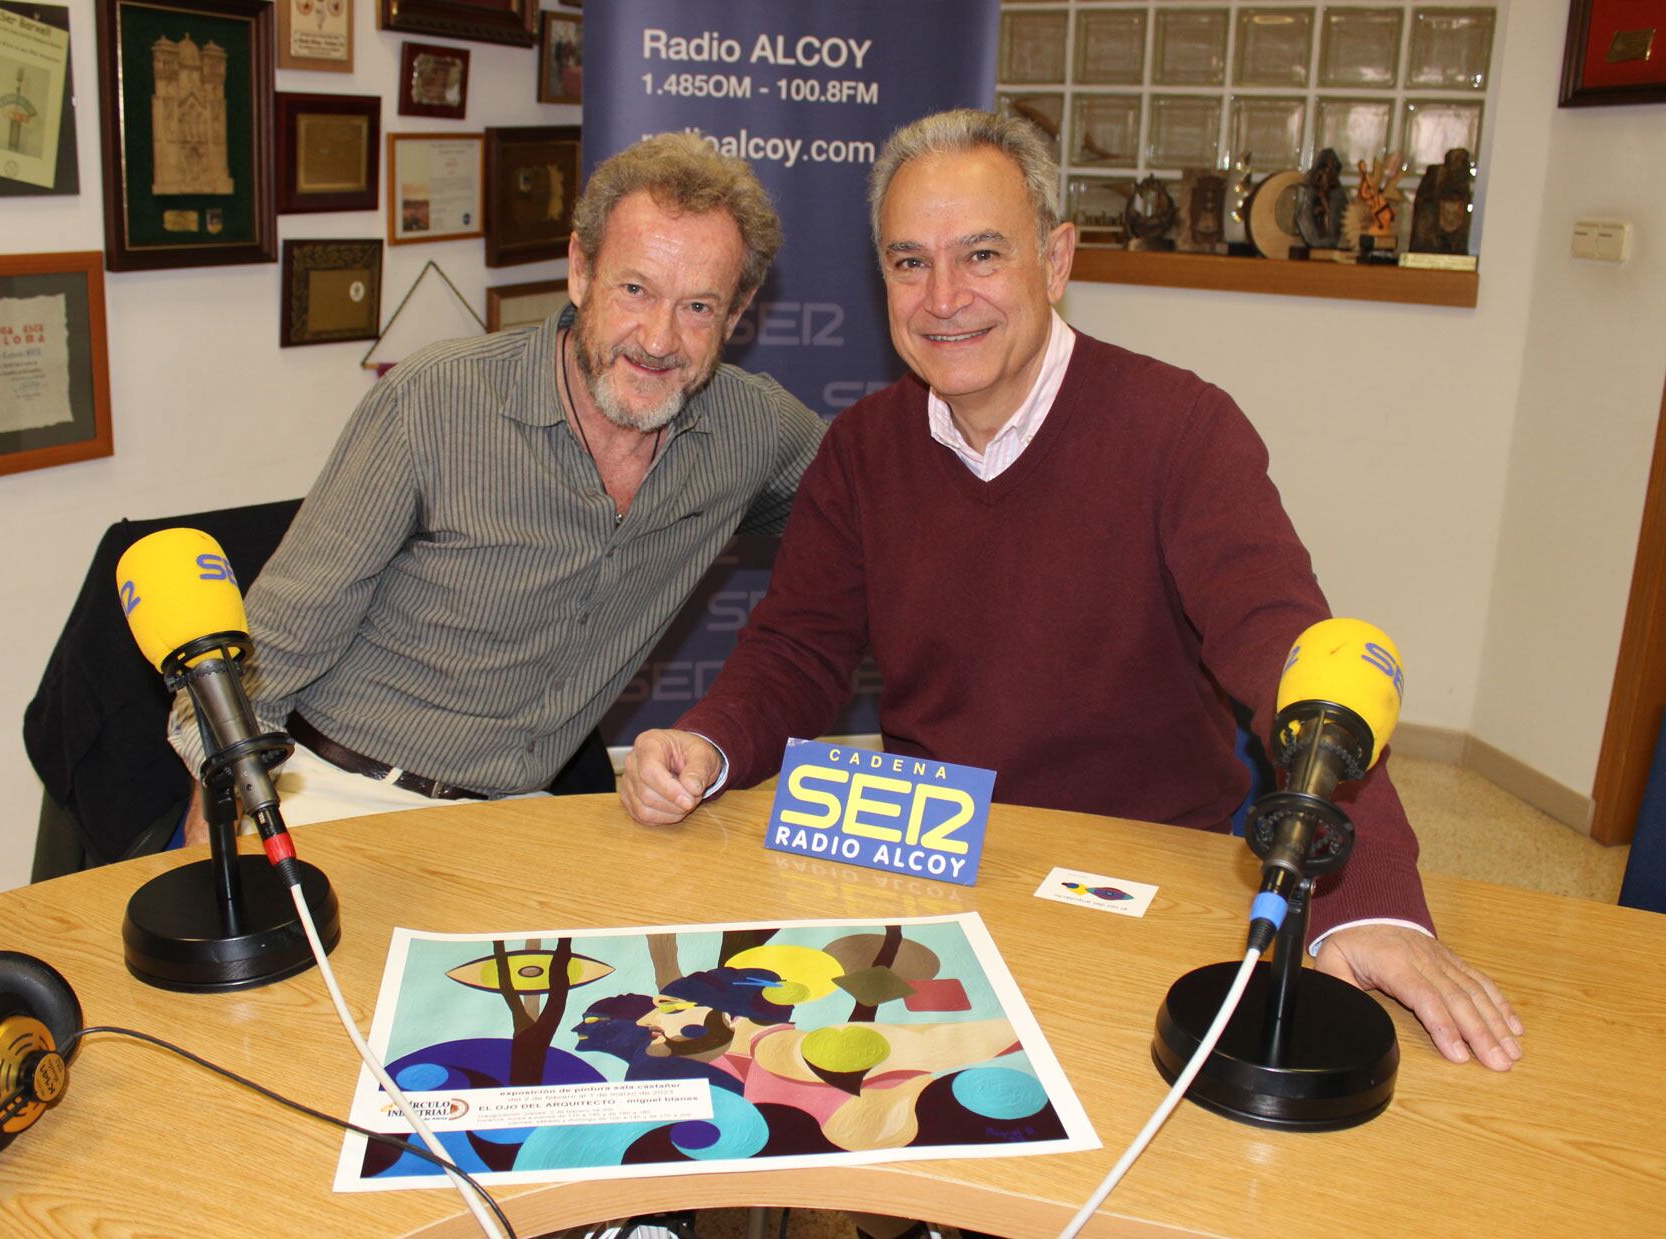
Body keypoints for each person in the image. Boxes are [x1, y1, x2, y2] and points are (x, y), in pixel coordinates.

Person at [620, 110, 1523, 1073]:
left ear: (1055, 261)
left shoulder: (1181, 429)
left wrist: (1372, 895)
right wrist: (707, 741)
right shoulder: (862, 449)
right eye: (909, 262)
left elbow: (1286, 645)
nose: (944, 298)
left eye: (981, 255)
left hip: (1136, 868)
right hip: (935, 871)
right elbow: (800, 647)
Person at [170, 133, 825, 842]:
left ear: (737, 312)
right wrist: (225, 826)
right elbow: (259, 661)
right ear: (580, 270)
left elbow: (877, 497)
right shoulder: (434, 402)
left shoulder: (750, 429)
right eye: (635, 289)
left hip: (520, 822)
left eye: (698, 307)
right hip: (332, 792)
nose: (659, 339)